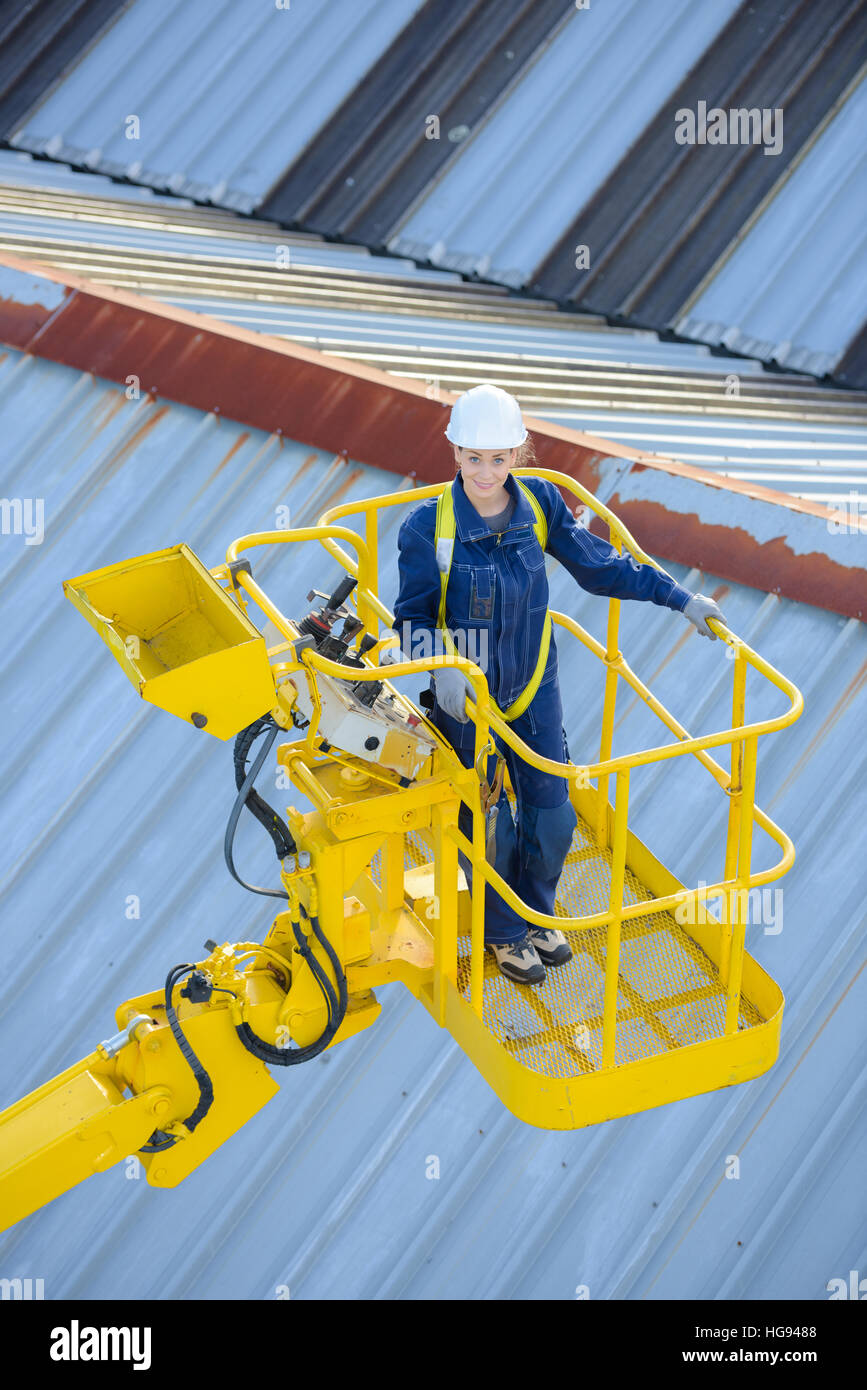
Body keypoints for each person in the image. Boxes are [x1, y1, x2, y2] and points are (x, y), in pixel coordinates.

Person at [389, 384, 726, 985]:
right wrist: (438, 665)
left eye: (499, 458)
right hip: (467, 701)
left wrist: (679, 598)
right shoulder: (427, 528)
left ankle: (537, 913)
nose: (486, 472)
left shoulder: (540, 504)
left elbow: (602, 567)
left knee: (552, 813)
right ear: (455, 453)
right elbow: (411, 620)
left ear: (519, 454)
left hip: (532, 687)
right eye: (474, 458)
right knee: (487, 824)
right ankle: (504, 931)